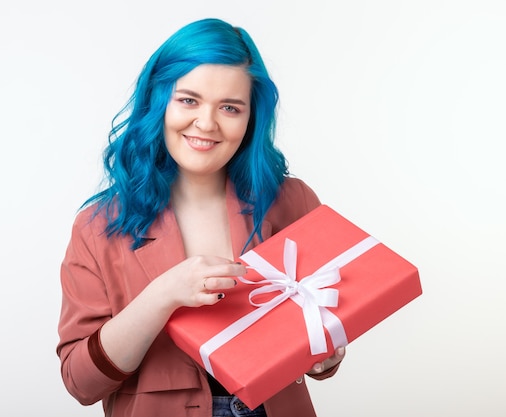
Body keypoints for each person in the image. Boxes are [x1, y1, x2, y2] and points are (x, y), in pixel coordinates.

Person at [56, 18, 345, 417]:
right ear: (158, 101)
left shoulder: (292, 201)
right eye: (188, 100)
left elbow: (324, 331)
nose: (206, 124)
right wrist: (162, 296)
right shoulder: (96, 227)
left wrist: (325, 355)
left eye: (229, 107)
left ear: (251, 119)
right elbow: (80, 382)